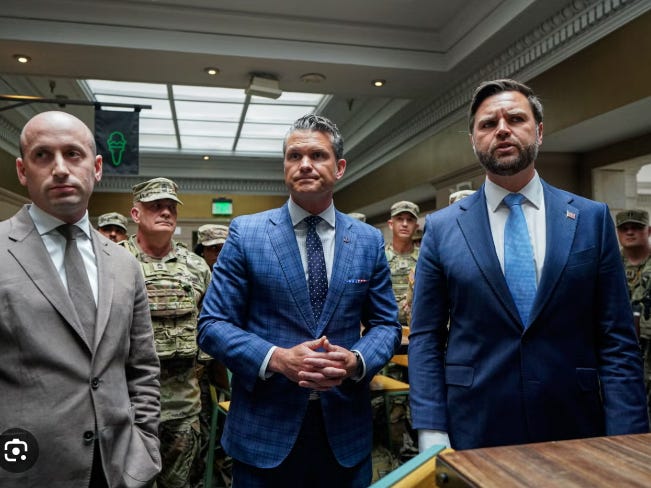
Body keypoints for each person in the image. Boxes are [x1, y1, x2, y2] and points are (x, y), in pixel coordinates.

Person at [409, 79, 649, 452]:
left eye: (516, 119)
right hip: (475, 423)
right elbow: (426, 336)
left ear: (538, 131)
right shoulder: (442, 228)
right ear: (473, 140)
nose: (502, 129)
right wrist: (430, 426)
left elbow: (616, 337)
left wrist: (628, 434)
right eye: (488, 124)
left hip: (574, 422)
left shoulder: (591, 218)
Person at [197, 114, 401, 487]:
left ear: (339, 168)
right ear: (285, 166)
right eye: (294, 156)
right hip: (264, 432)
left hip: (345, 432)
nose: (304, 164)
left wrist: (355, 361)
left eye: (317, 155)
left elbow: (386, 324)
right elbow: (212, 325)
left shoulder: (368, 240)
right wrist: (277, 358)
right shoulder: (247, 233)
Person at [0, 111, 160, 487]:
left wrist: (145, 446)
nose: (60, 169)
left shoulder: (124, 263)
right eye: (43, 155)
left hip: (119, 467)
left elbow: (143, 369)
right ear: (22, 171)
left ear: (96, 167)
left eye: (73, 154)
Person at [121, 177, 211, 488]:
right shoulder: (114, 261)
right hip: (128, 407)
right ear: (136, 214)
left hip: (183, 408)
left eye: (171, 207)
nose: (166, 212)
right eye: (156, 206)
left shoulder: (196, 267)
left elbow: (209, 328)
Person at [616, 209, 651, 420]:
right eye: (624, 228)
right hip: (620, 351)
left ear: (648, 231)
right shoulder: (608, 264)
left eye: (637, 227)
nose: (630, 232)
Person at [385, 201, 420, 327]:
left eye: (410, 220)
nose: (405, 224)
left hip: (416, 326)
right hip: (385, 325)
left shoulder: (425, 258)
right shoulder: (379, 257)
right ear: (391, 224)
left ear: (416, 226)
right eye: (400, 219)